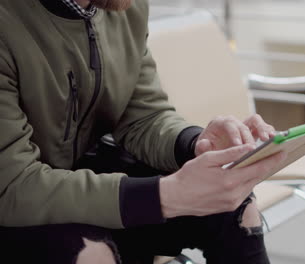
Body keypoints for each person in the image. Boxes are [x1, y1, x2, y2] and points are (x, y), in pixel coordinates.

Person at [0, 0, 287, 263]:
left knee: (235, 208)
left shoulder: (124, 8)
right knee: (88, 252)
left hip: (78, 182)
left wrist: (196, 143)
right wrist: (163, 196)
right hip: (16, 204)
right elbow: (12, 186)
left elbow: (143, 115)